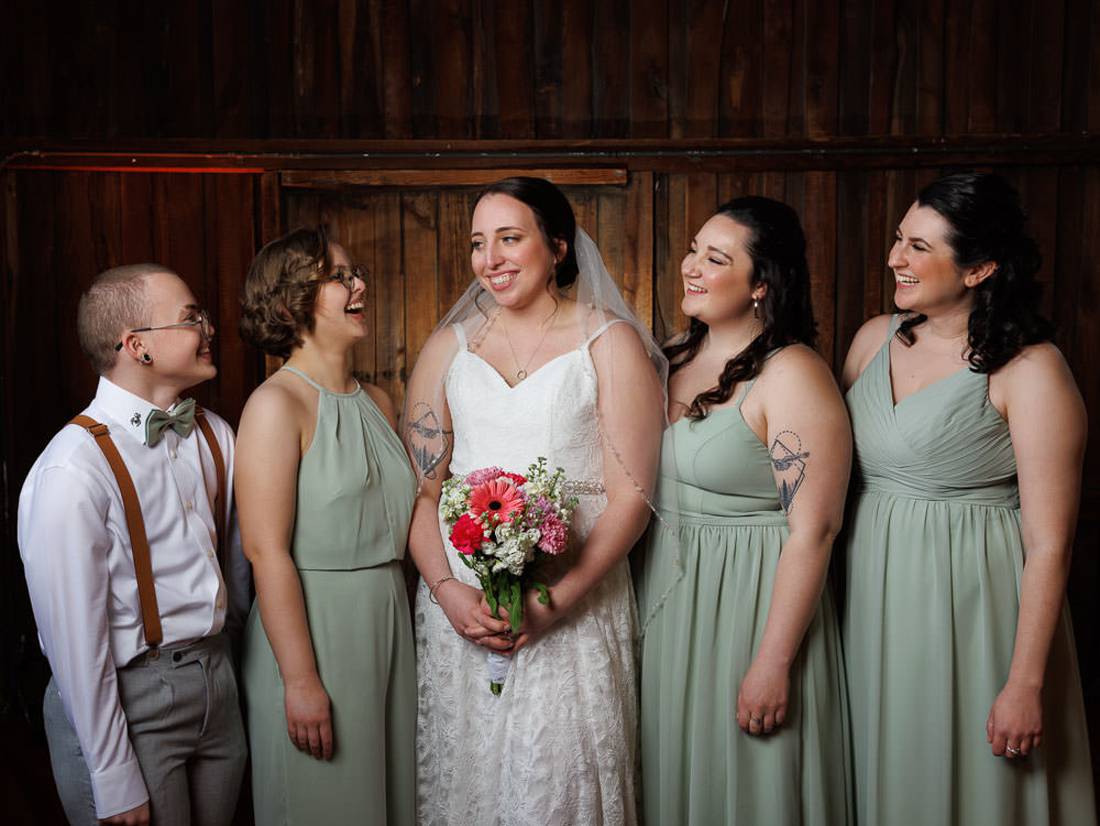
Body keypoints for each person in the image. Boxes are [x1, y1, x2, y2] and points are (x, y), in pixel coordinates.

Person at [405, 177, 666, 825]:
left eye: (509, 238)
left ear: (556, 246)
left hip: (572, 599)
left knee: (556, 785)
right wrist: (447, 591)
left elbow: (631, 497)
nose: (489, 258)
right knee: (471, 781)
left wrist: (553, 604)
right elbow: (424, 492)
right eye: (477, 243)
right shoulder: (448, 349)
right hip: (463, 606)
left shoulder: (607, 342)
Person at [841, 171, 1096, 825]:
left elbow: (1049, 543)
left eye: (920, 247)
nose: (896, 257)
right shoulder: (873, 341)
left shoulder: (1030, 370)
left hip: (974, 608)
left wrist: (1026, 683)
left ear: (980, 266)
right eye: (899, 239)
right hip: (873, 597)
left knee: (977, 786)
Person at [635, 196, 853, 825]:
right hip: (670, 600)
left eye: (715, 257)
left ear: (762, 284)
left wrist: (772, 662)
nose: (691, 266)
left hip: (751, 606)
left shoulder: (792, 374)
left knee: (751, 785)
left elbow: (815, 529)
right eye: (693, 249)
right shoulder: (668, 356)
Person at [18, 264, 249, 826]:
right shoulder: (73, 468)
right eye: (191, 318)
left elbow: (238, 576)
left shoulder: (218, 435)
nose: (208, 328)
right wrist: (112, 774)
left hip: (219, 683)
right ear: (137, 346)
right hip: (127, 697)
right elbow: (74, 641)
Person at [236, 227, 417, 825]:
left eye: (354, 272)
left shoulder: (381, 402)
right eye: (338, 277)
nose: (359, 284)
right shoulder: (275, 405)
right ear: (293, 302)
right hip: (315, 633)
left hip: (388, 621)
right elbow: (266, 553)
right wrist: (301, 680)